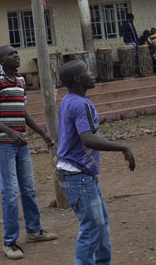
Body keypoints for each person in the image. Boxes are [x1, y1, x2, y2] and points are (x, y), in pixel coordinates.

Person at [56, 60, 135, 265]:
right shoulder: (81, 104)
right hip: (76, 175)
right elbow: (88, 139)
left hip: (78, 173)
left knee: (101, 225)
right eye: (87, 72)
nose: (92, 74)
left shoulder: (68, 100)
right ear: (77, 79)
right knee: (91, 228)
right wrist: (123, 147)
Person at [0, 45, 57, 260]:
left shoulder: (21, 81)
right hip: (5, 143)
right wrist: (10, 133)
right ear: (1, 60)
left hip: (21, 143)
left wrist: (42, 133)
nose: (16, 56)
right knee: (10, 193)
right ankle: (10, 243)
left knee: (28, 188)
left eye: (16, 53)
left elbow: (22, 112)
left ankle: (34, 231)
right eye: (10, 54)